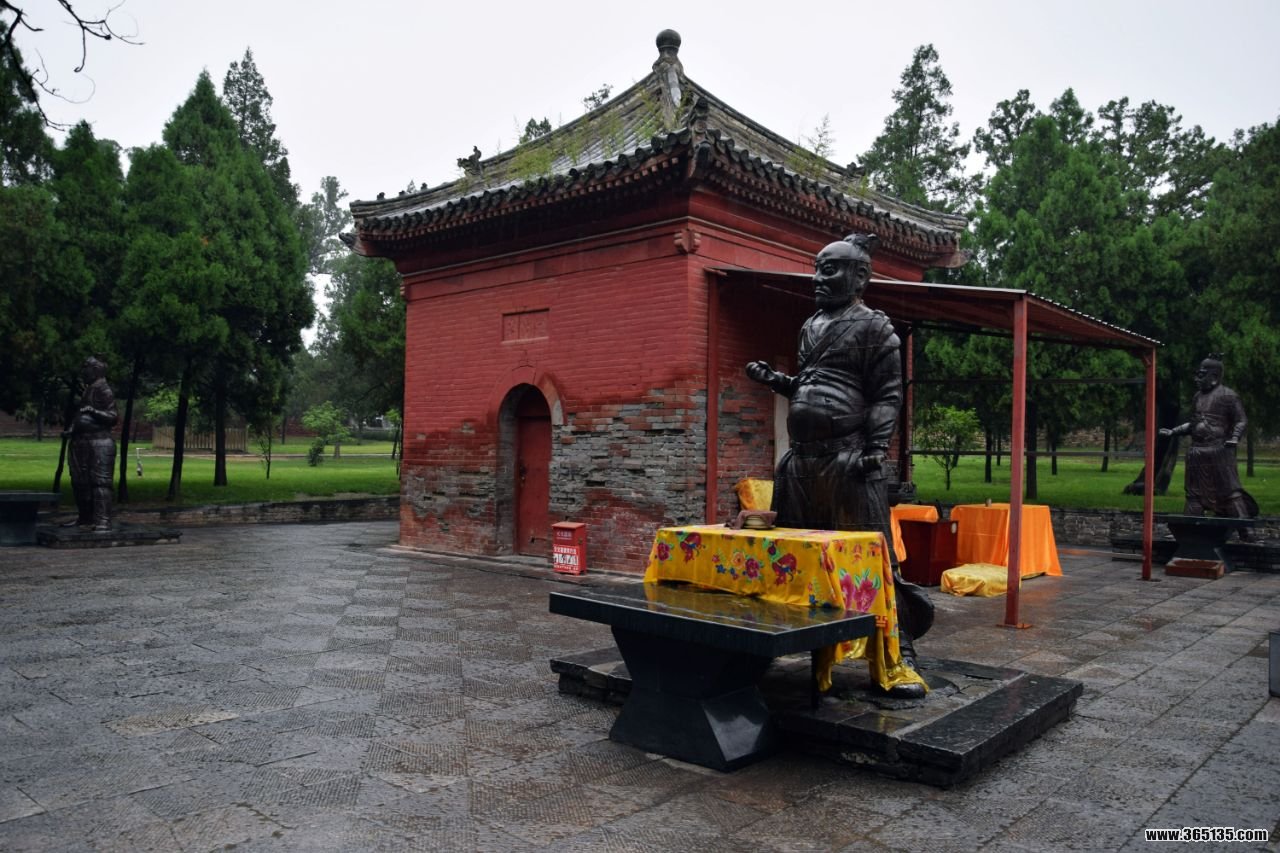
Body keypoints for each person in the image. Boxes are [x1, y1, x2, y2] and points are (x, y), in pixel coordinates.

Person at [747, 233, 932, 696]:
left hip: (849, 462)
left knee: (871, 560)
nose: (817, 278)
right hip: (801, 464)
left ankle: (898, 652)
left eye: (828, 269)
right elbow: (813, 384)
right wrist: (779, 381)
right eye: (816, 268)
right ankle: (791, 643)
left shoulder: (875, 328)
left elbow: (887, 394)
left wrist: (876, 446)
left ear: (860, 276)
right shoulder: (810, 325)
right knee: (797, 558)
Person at [1159, 355, 1258, 523]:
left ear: (1214, 377)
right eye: (1197, 374)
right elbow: (1193, 424)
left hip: (1219, 452)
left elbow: (1241, 420)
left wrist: (1235, 437)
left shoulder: (1229, 396)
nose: (1196, 379)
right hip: (1197, 454)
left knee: (1229, 492)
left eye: (1201, 375)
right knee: (1194, 495)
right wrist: (1173, 432)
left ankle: (1244, 530)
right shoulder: (1197, 397)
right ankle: (1191, 529)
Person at [64, 356, 118, 532]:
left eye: (86, 368)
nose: (83, 372)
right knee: (80, 483)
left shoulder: (104, 389)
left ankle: (103, 520)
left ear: (95, 370)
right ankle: (85, 518)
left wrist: (93, 411)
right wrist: (72, 429)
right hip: (81, 442)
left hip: (99, 442)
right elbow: (80, 415)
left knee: (100, 483)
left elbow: (113, 417)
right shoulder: (89, 389)